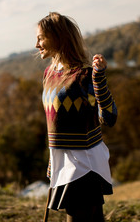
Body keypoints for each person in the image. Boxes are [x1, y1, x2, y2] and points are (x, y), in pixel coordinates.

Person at [35, 12, 117, 222]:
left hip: (84, 164)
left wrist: (98, 79)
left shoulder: (83, 76)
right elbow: (56, 125)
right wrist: (54, 162)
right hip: (65, 164)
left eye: (41, 37)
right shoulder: (49, 74)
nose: (36, 44)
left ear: (58, 37)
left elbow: (108, 116)